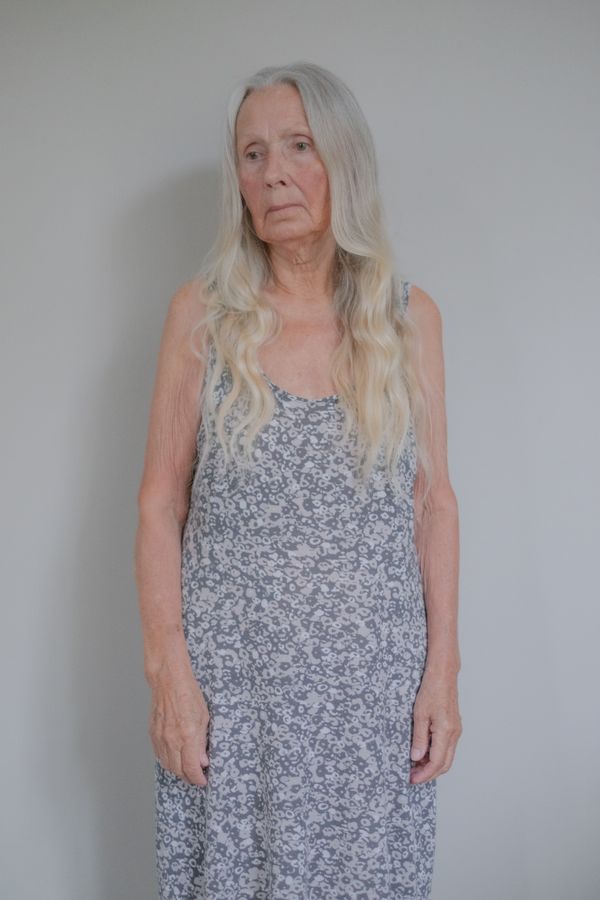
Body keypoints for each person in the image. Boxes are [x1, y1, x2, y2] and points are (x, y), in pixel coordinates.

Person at [135, 60, 462, 900]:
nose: (273, 173)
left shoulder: (408, 320)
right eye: (252, 154)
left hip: (370, 705)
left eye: (298, 146)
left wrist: (443, 674)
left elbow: (433, 504)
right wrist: (169, 676)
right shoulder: (203, 316)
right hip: (233, 703)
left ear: (343, 159)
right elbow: (160, 503)